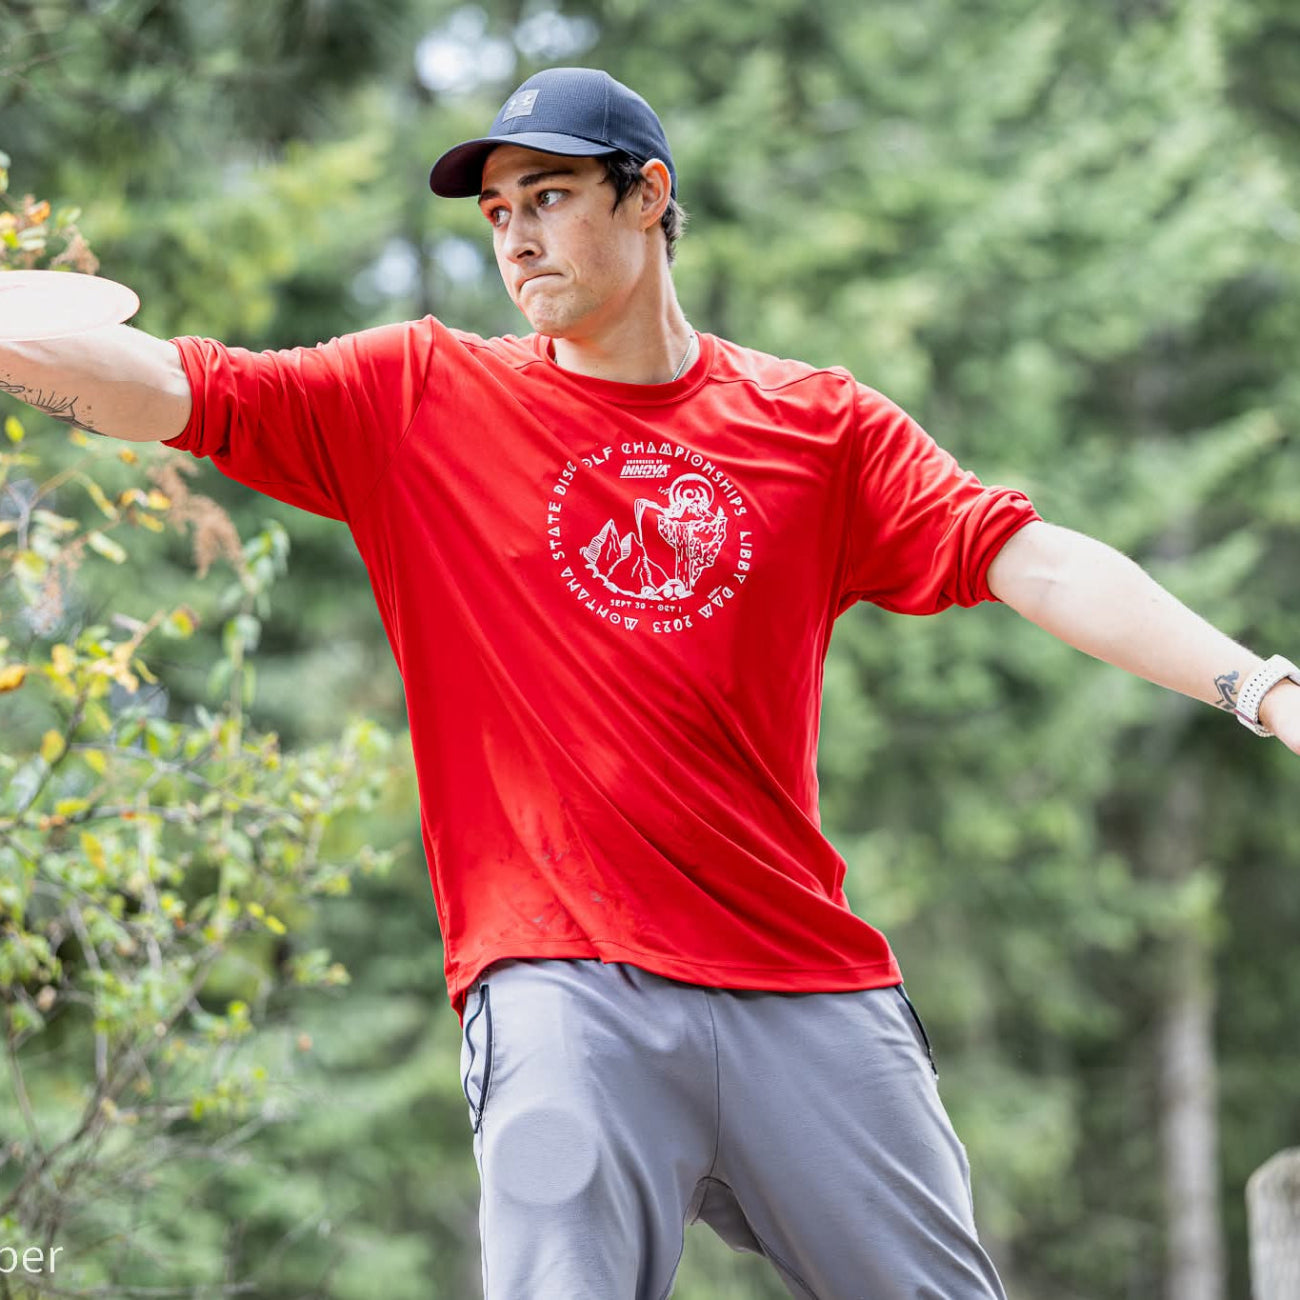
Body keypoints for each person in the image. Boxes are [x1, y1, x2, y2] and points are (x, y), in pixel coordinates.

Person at [1, 65, 1296, 1300]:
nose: (514, 237)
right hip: (563, 978)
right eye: (497, 212)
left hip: (805, 984)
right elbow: (169, 386)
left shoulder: (817, 427)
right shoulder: (416, 401)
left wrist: (1262, 688)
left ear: (650, 195)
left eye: (549, 197)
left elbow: (1033, 559)